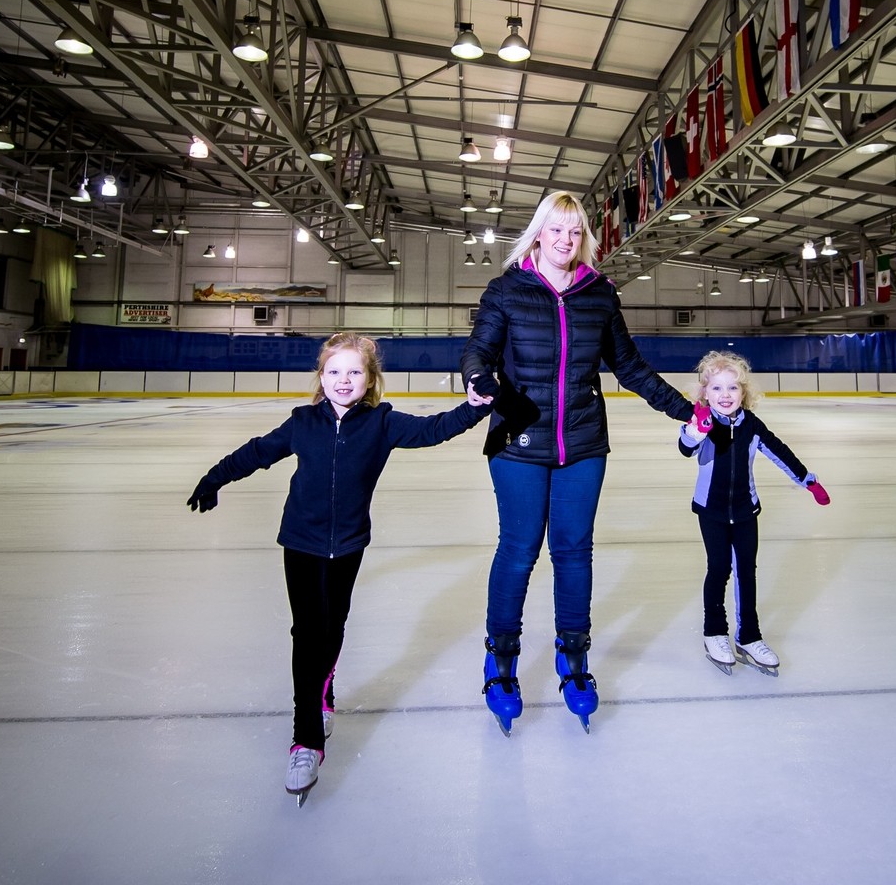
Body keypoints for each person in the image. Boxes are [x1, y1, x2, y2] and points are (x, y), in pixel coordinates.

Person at [187, 332, 492, 804]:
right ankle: (306, 739)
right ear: (321, 377)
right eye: (334, 371)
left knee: (332, 629)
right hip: (301, 543)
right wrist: (215, 478)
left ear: (370, 379)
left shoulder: (382, 424)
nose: (343, 380)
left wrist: (475, 407)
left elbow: (434, 429)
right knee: (308, 635)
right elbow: (257, 452)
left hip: (348, 545)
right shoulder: (302, 422)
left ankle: (324, 686)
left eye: (354, 372)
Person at [462, 190, 693, 733]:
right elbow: (479, 350)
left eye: (575, 231)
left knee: (573, 552)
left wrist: (688, 411)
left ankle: (574, 654)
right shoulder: (507, 289)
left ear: (583, 237)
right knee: (518, 551)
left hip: (583, 445)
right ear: (539, 232)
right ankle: (502, 658)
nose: (566, 240)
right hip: (518, 440)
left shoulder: (598, 294)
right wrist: (477, 378)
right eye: (556, 230)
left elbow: (630, 368)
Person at [677, 350, 829, 676]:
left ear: (744, 392)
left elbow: (780, 451)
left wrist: (807, 480)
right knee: (718, 569)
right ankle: (714, 632)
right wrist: (696, 431)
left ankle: (749, 636)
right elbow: (686, 446)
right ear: (705, 393)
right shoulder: (701, 423)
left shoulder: (752, 425)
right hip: (712, 511)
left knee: (747, 571)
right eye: (716, 388)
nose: (725, 395)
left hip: (747, 509)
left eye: (733, 388)